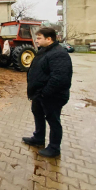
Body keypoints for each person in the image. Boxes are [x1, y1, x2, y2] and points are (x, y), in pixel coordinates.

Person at [22, 27, 73, 157]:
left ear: (49, 39)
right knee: (38, 114)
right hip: (40, 95)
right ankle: (38, 138)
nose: (36, 40)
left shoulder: (58, 54)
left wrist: (45, 93)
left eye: (39, 38)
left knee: (53, 120)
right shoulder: (44, 51)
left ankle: (54, 148)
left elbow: (60, 78)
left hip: (52, 96)